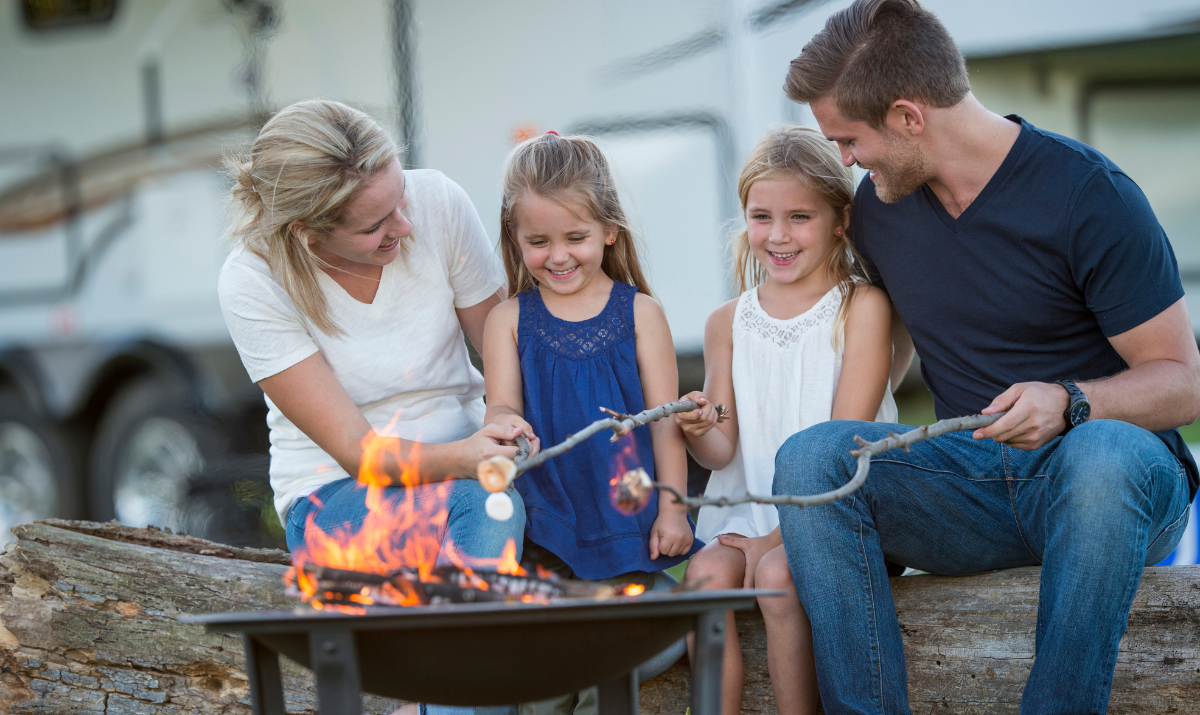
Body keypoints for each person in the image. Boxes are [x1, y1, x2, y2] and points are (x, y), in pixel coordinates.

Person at [772, 2, 1200, 713]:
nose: (845, 159)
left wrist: (1070, 401)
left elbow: (1185, 384)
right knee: (812, 459)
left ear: (909, 117)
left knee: (1101, 457)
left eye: (849, 138)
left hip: (1111, 482)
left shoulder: (1090, 196)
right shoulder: (881, 208)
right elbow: (887, 346)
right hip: (971, 481)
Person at [218, 100, 527, 715]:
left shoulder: (435, 200)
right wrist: (467, 458)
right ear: (308, 232)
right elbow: (361, 454)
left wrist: (502, 415)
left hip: (472, 467)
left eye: (400, 201)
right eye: (375, 225)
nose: (404, 227)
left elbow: (503, 347)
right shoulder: (253, 280)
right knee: (488, 508)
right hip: (339, 496)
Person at [676, 126, 898, 715]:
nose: (777, 236)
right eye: (761, 216)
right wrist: (702, 431)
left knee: (777, 578)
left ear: (839, 220)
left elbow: (844, 441)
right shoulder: (727, 321)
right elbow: (723, 449)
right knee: (703, 579)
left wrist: (778, 537)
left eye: (799, 216)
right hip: (743, 514)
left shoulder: (861, 307)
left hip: (833, 514)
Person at [481, 132, 704, 715]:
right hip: (547, 520)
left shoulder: (640, 313)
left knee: (664, 633)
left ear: (610, 229)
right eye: (538, 241)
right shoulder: (508, 320)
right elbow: (499, 407)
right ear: (515, 239)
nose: (558, 256)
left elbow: (665, 422)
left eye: (575, 238)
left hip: (625, 518)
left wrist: (674, 506)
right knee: (544, 674)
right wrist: (507, 424)